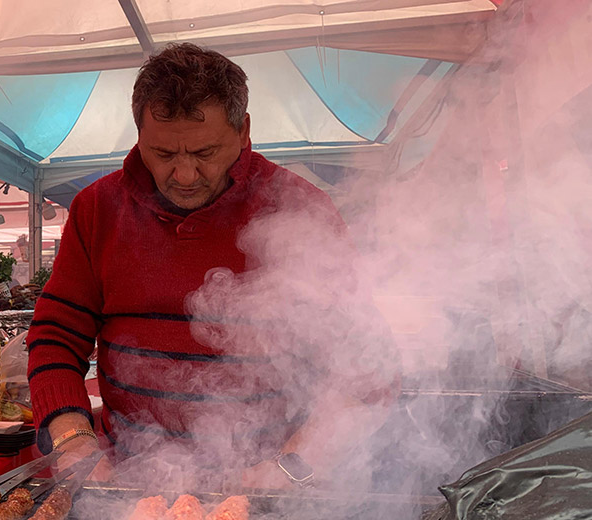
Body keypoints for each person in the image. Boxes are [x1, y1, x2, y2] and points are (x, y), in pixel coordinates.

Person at [26, 44, 399, 487]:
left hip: (268, 480)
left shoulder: (299, 209)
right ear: (139, 134)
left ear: (243, 131)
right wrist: (73, 443)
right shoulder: (97, 209)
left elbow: (366, 368)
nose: (184, 175)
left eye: (204, 153)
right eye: (163, 154)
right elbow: (56, 337)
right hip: (128, 479)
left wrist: (293, 465)